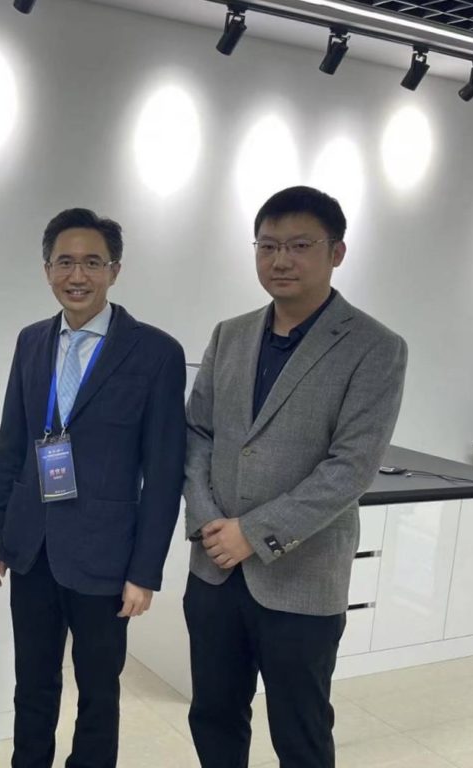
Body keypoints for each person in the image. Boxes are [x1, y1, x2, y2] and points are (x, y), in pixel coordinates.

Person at [183, 186, 408, 768]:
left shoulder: (375, 347)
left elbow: (350, 467)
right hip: (213, 571)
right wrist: (209, 521)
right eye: (268, 246)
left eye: (300, 246)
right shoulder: (230, 335)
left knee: (300, 730)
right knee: (213, 714)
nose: (280, 260)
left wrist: (252, 533)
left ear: (337, 252)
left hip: (302, 577)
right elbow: (198, 432)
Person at [0, 208, 187, 768]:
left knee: (98, 690)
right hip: (32, 547)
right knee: (33, 683)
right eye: (65, 262)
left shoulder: (155, 352)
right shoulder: (31, 341)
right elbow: (12, 442)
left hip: (106, 554)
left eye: (92, 263)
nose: (78, 275)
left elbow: (165, 472)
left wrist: (145, 571)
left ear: (114, 270)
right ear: (47, 269)